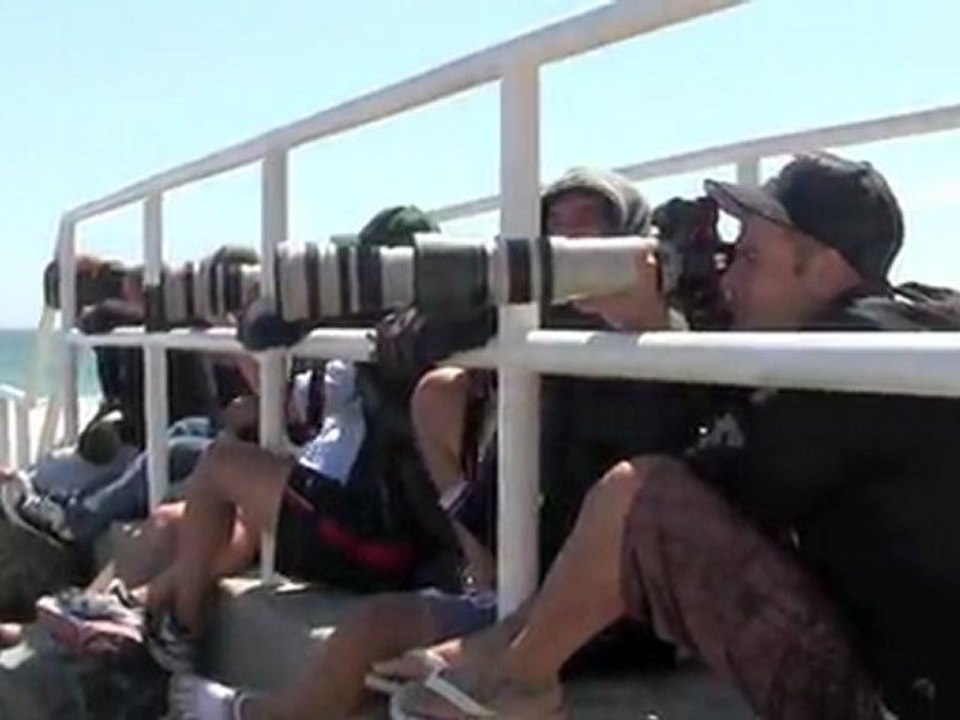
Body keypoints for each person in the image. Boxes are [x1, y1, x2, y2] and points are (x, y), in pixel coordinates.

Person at [386, 153, 960, 720]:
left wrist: (651, 329)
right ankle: (502, 662)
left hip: (897, 701)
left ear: (828, 269)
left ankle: (518, 684)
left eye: (752, 258)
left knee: (638, 494)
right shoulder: (905, 327)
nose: (729, 277)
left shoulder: (842, 362)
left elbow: (666, 509)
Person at [168, 169, 693, 720]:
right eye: (556, 228)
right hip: (519, 580)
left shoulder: (669, 346)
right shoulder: (525, 325)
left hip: (597, 612)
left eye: (589, 226)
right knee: (369, 633)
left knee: (421, 675)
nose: (570, 243)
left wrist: (640, 309)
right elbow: (439, 342)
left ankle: (250, 712)